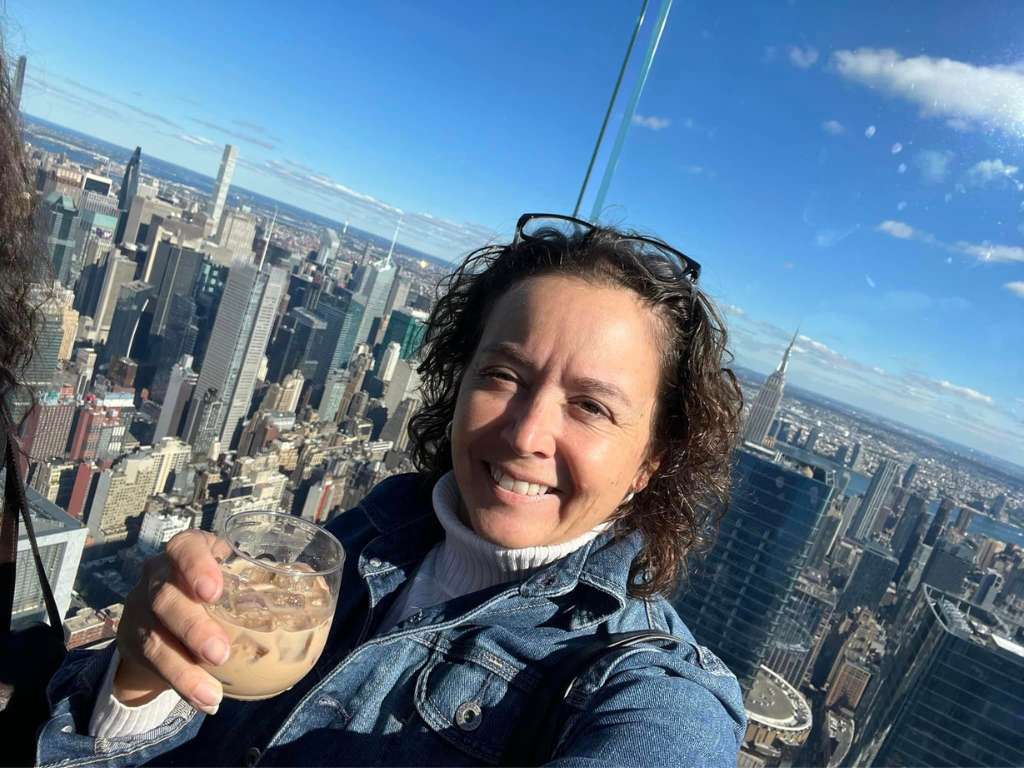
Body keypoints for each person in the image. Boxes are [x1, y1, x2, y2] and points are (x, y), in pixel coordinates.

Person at [38, 213, 747, 766]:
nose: (528, 433)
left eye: (591, 406)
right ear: (460, 378)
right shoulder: (366, 537)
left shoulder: (651, 693)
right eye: (504, 376)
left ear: (653, 460)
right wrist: (134, 684)